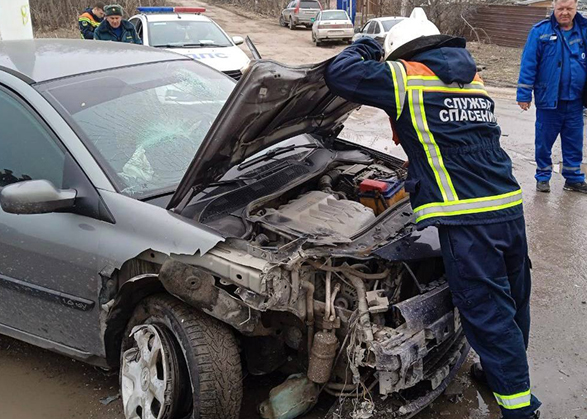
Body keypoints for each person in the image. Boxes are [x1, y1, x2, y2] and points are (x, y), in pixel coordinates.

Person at [325, 11, 541, 419]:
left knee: (488, 317)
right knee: (512, 302)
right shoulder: (470, 78)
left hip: (468, 219)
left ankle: (520, 409)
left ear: (401, 52)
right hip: (507, 208)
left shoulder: (405, 76)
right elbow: (459, 142)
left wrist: (370, 43)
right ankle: (503, 378)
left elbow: (340, 73)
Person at [518, 0, 587, 193]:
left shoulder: (583, 30)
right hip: (549, 100)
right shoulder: (540, 31)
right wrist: (524, 94)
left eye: (569, 9)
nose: (565, 12)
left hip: (575, 100)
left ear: (576, 8)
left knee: (574, 142)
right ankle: (543, 177)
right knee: (544, 141)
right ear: (554, 9)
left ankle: (573, 179)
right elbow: (528, 64)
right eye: (560, 9)